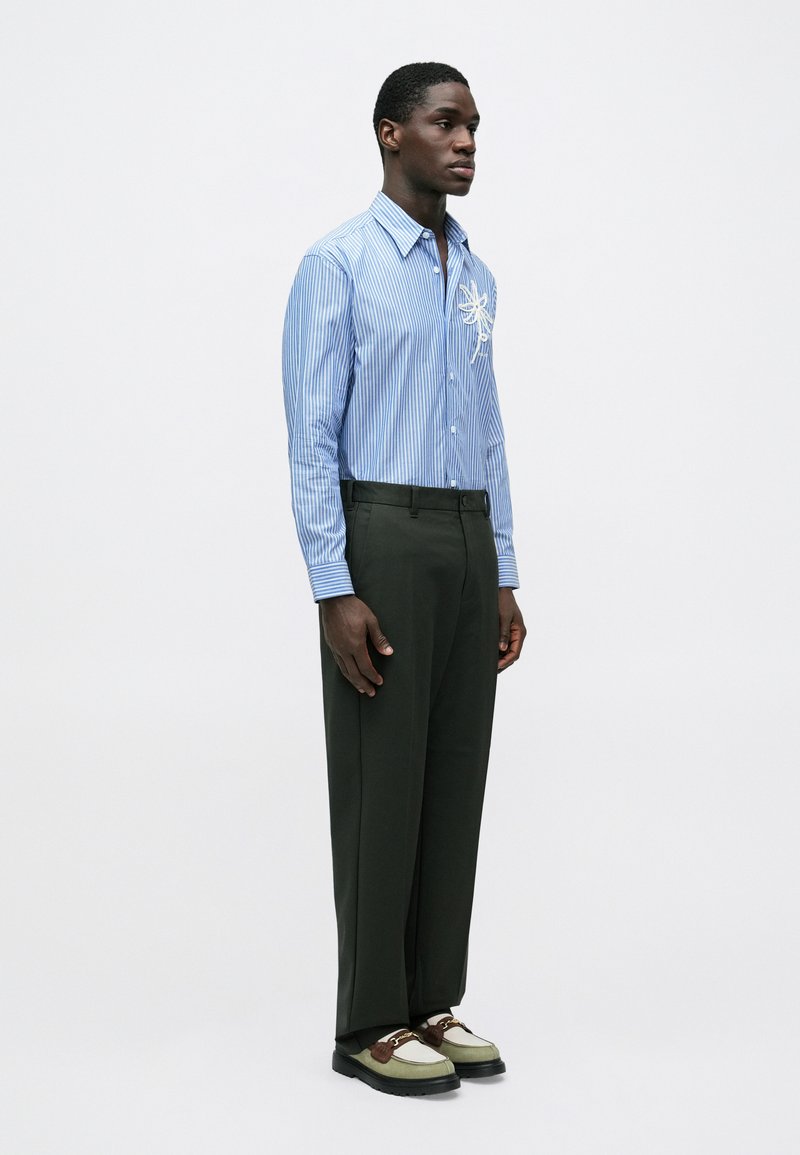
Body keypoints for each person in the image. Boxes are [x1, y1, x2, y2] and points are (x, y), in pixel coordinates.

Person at [282, 61, 526, 1097]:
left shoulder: (475, 275)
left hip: (466, 536)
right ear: (391, 133)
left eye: (472, 126)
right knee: (383, 777)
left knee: (454, 773)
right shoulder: (336, 264)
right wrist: (332, 585)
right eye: (444, 122)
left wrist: (503, 566)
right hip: (380, 530)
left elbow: (488, 424)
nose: (465, 142)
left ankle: (431, 999)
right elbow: (311, 435)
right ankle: (367, 1021)